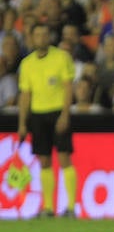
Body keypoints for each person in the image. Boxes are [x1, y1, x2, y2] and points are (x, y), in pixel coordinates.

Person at [17, 23, 78, 218]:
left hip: (57, 112)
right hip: (37, 115)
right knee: (43, 160)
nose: (42, 38)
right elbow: (25, 94)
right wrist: (22, 123)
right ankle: (48, 208)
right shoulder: (27, 63)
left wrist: (65, 114)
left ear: (49, 36)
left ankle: (70, 207)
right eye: (38, 35)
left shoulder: (61, 57)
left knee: (64, 157)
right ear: (32, 38)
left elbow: (69, 87)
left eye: (45, 34)